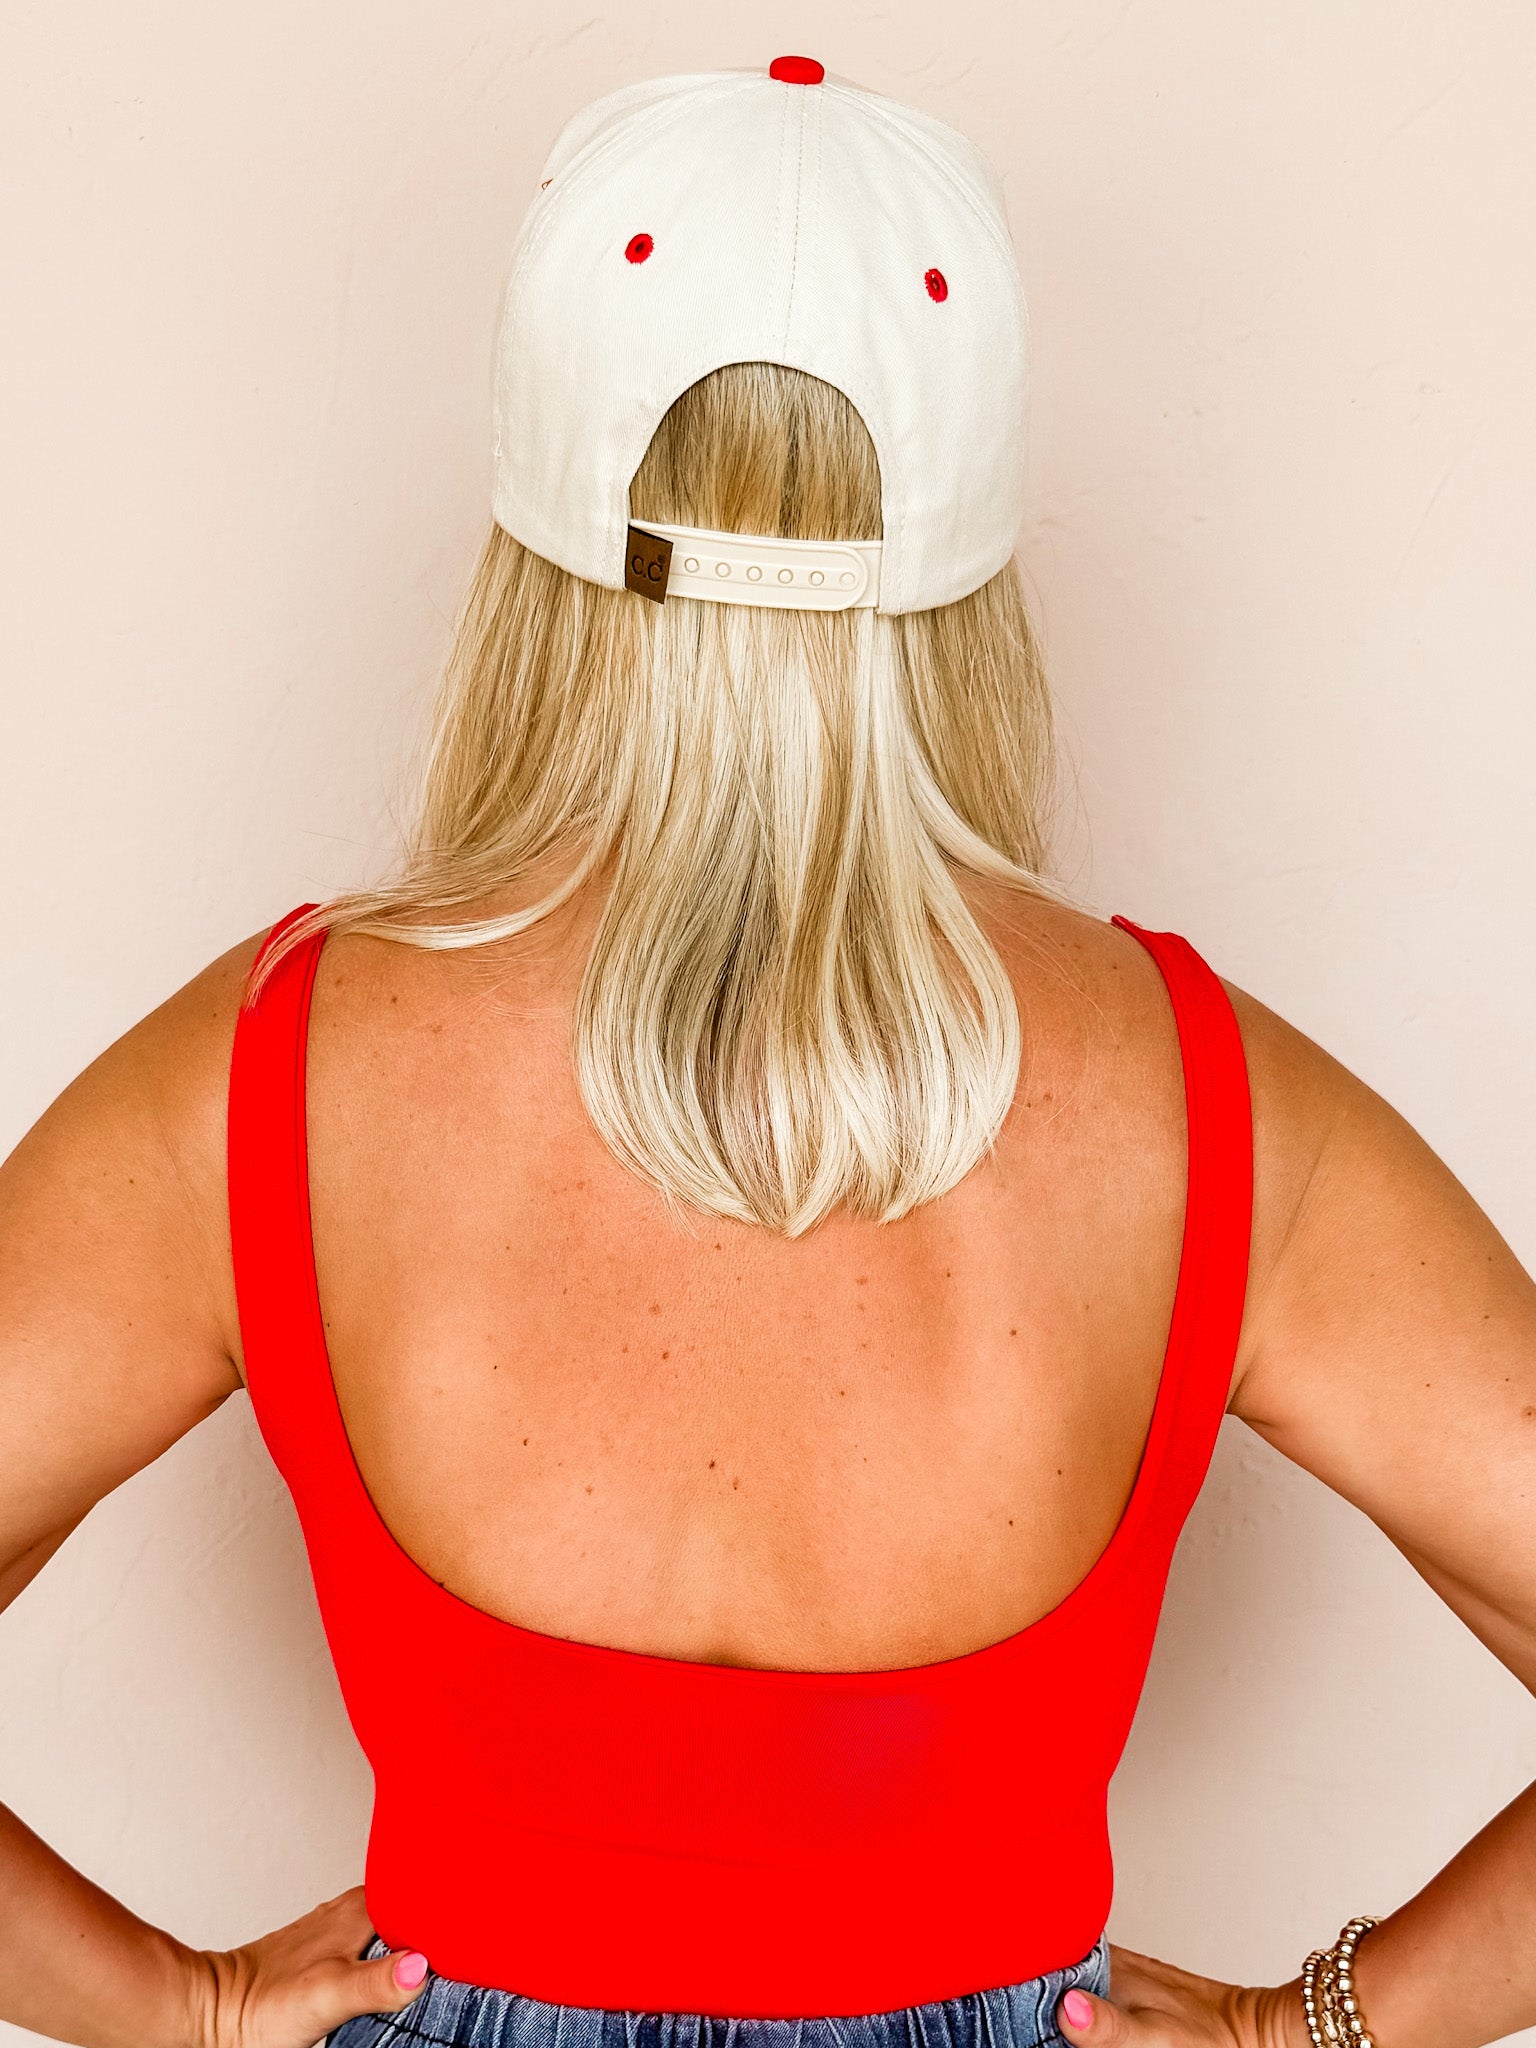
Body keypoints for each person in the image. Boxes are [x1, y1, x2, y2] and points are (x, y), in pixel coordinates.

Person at [1, 52, 1532, 2048]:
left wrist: (184, 2006)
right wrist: (1320, 2025)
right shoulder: (1207, 1108)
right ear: (969, 567)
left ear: (534, 538)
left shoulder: (264, 1083)